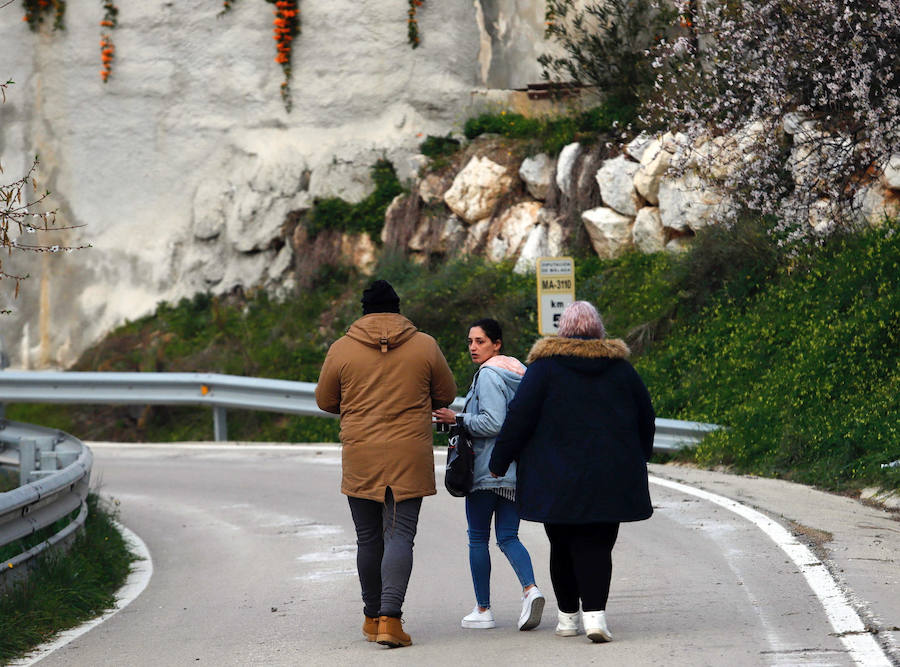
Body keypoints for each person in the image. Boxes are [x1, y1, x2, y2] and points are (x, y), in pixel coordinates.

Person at [489, 301, 655, 643]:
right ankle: (595, 618)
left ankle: (567, 619)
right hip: (610, 476)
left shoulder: (544, 369)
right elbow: (646, 416)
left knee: (561, 545)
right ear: (598, 330)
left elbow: (519, 418)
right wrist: (641, 454)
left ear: (562, 330)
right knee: (598, 545)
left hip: (555, 478)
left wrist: (499, 461)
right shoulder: (621, 369)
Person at [315, 279, 457, 649]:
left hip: (360, 453)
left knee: (367, 538)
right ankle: (391, 621)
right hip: (409, 453)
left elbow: (325, 400)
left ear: (363, 310)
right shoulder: (424, 345)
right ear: (397, 308)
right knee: (400, 535)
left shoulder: (342, 348)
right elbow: (445, 394)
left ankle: (371, 616)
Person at [433, 318, 545, 632]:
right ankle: (530, 589)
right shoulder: (520, 373)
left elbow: (492, 422)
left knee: (478, 538)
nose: (472, 347)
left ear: (497, 344)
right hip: (513, 470)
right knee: (508, 536)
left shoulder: (488, 374)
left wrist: (458, 418)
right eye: (470, 341)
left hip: (485, 470)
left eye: (480, 341)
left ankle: (483, 609)